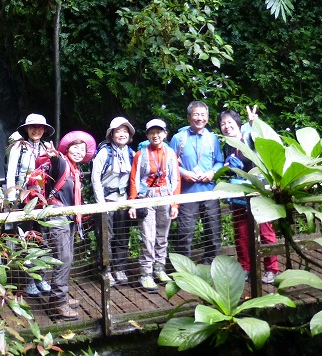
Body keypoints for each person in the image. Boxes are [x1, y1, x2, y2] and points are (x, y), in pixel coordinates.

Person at [219, 108, 280, 284]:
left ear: (238, 123)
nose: (226, 126)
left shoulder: (249, 137)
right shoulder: (228, 145)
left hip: (259, 192)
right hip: (239, 194)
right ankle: (245, 268)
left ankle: (271, 269)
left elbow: (264, 140)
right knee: (241, 233)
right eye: (223, 124)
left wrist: (255, 123)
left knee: (265, 231)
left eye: (230, 122)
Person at [41, 130, 96, 319]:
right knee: (63, 259)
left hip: (69, 217)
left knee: (67, 258)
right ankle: (58, 303)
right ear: (67, 148)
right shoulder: (62, 162)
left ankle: (60, 296)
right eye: (75, 148)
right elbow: (56, 163)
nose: (79, 152)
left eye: (82, 149)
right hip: (58, 217)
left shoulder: (74, 169)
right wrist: (54, 155)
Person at [5, 113, 54, 297]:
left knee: (42, 238)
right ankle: (29, 281)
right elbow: (11, 173)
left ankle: (41, 277)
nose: (36, 130)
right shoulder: (19, 147)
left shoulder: (45, 147)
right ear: (26, 129)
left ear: (44, 130)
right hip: (23, 198)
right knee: (26, 239)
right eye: (33, 127)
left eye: (40, 127)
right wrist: (11, 198)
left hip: (42, 199)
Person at [169, 101, 224, 265]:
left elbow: (219, 161)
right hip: (187, 194)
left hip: (209, 192)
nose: (199, 118)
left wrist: (212, 172)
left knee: (213, 231)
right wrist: (183, 173)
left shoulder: (212, 138)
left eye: (203, 115)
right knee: (185, 233)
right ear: (188, 117)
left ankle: (210, 265)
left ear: (207, 117)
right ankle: (184, 268)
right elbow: (170, 163)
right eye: (196, 114)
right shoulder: (179, 138)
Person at [128, 119, 180, 292]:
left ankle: (159, 268)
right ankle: (146, 273)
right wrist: (133, 203)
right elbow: (134, 179)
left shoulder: (170, 153)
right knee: (148, 237)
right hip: (146, 197)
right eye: (152, 132)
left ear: (165, 134)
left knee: (162, 235)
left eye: (159, 132)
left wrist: (175, 203)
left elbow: (175, 179)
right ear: (147, 135)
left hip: (165, 195)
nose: (155, 135)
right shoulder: (140, 154)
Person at [91, 117, 136, 286]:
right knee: (105, 236)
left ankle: (120, 268)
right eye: (118, 131)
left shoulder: (131, 154)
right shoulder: (104, 152)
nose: (122, 134)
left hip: (123, 201)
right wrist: (101, 203)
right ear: (111, 134)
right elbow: (95, 178)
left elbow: (135, 178)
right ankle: (105, 270)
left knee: (122, 235)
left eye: (125, 131)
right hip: (106, 200)